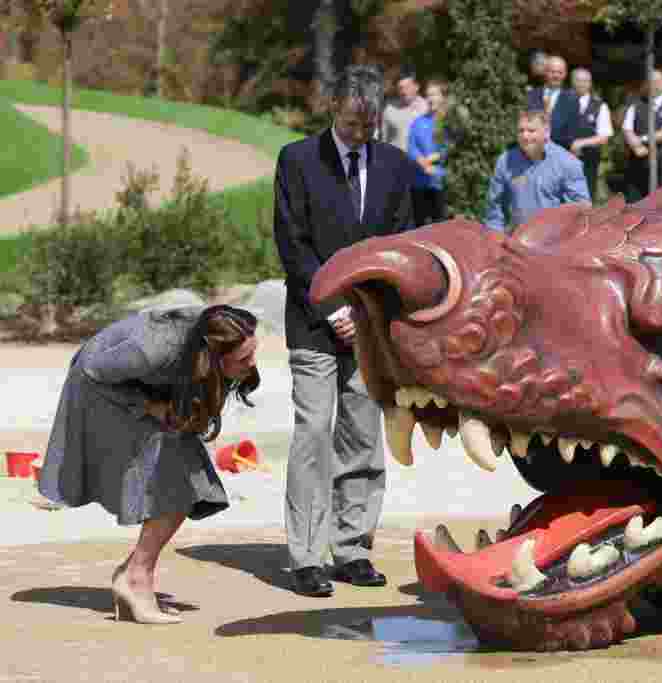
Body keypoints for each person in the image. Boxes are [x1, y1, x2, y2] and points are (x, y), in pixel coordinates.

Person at [274, 64, 418, 597]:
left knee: (361, 435)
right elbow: (292, 244)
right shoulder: (296, 161)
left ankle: (353, 546)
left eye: (370, 124)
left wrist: (365, 313)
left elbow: (400, 248)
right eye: (355, 123)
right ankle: (306, 556)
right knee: (313, 434)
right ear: (334, 107)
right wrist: (332, 307)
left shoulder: (396, 166)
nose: (362, 133)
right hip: (313, 322)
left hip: (369, 327)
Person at [37, 305, 260, 624]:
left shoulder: (214, 336)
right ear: (211, 353)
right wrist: (149, 406)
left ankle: (134, 575)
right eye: (243, 359)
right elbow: (93, 372)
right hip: (99, 390)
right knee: (178, 478)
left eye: (253, 354)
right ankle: (135, 578)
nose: (252, 365)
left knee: (185, 477)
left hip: (136, 386)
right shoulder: (152, 349)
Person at [484, 108, 591, 234]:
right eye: (521, 131)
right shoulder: (505, 161)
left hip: (556, 242)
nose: (525, 136)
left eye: (531, 131)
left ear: (546, 132)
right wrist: (495, 236)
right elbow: (494, 206)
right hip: (517, 240)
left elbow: (582, 209)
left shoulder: (568, 163)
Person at [621, 69, 662, 202]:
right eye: (652, 81)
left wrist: (642, 140)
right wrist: (635, 146)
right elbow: (627, 129)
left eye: (659, 80)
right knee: (636, 209)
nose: (655, 84)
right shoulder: (636, 105)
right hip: (637, 170)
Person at [407, 79, 449, 226]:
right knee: (419, 227)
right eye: (428, 95)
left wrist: (431, 160)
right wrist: (420, 161)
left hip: (440, 182)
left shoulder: (448, 122)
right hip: (419, 182)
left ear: (443, 97)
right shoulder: (418, 122)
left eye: (435, 94)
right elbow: (411, 146)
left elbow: (451, 147)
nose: (431, 98)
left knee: (440, 226)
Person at [570, 67, 613, 200]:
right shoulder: (561, 102)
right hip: (563, 159)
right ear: (572, 82)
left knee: (585, 198)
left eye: (586, 81)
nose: (582, 84)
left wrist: (580, 143)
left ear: (590, 83)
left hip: (588, 161)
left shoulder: (600, 106)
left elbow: (604, 136)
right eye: (578, 80)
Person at [527, 55, 580, 151]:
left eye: (560, 72)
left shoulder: (572, 100)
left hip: (559, 153)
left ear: (565, 74)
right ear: (545, 72)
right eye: (552, 72)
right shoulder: (530, 96)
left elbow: (572, 133)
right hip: (530, 152)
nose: (556, 76)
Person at [380, 70, 428, 154]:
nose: (404, 92)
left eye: (407, 87)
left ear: (416, 87)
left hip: (421, 161)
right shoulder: (389, 110)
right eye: (400, 88)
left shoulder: (426, 108)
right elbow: (384, 139)